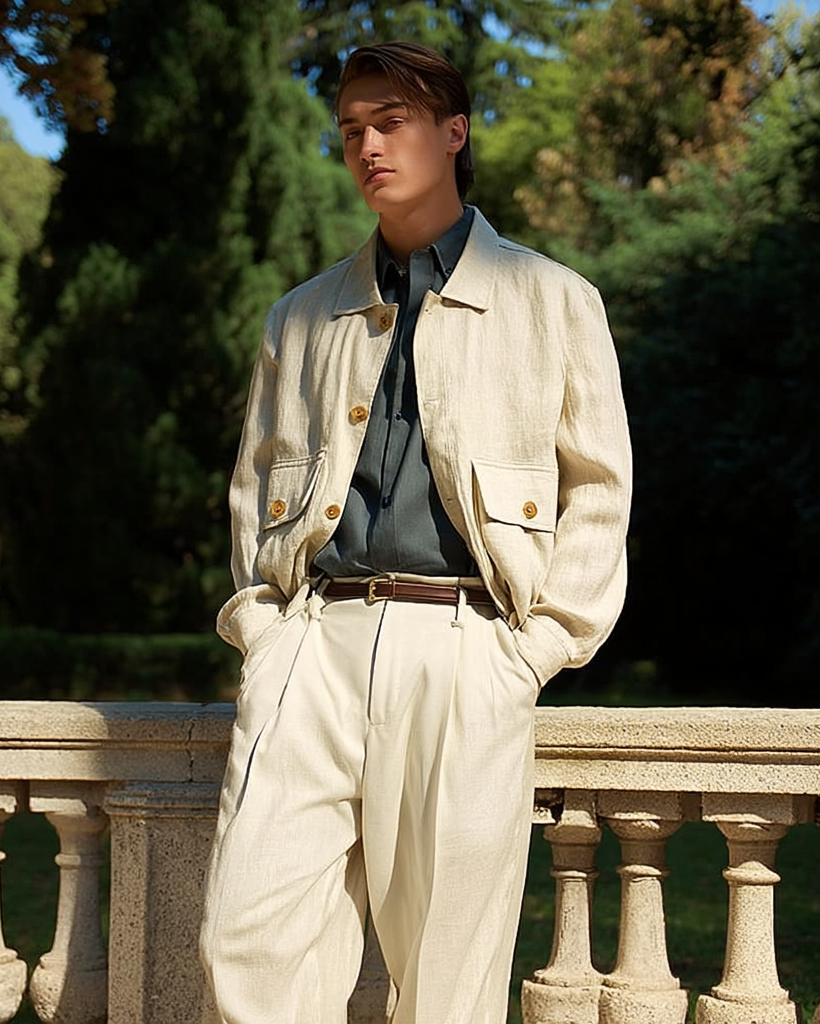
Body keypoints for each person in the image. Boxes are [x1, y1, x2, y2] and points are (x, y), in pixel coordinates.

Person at [200, 40, 631, 1024]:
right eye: (352, 128)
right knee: (245, 939)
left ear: (454, 132)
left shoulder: (553, 300)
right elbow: (254, 485)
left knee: (445, 972)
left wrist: (535, 649)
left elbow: (600, 490)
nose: (368, 145)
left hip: (467, 644)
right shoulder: (301, 315)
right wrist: (264, 631)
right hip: (314, 643)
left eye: (391, 122)